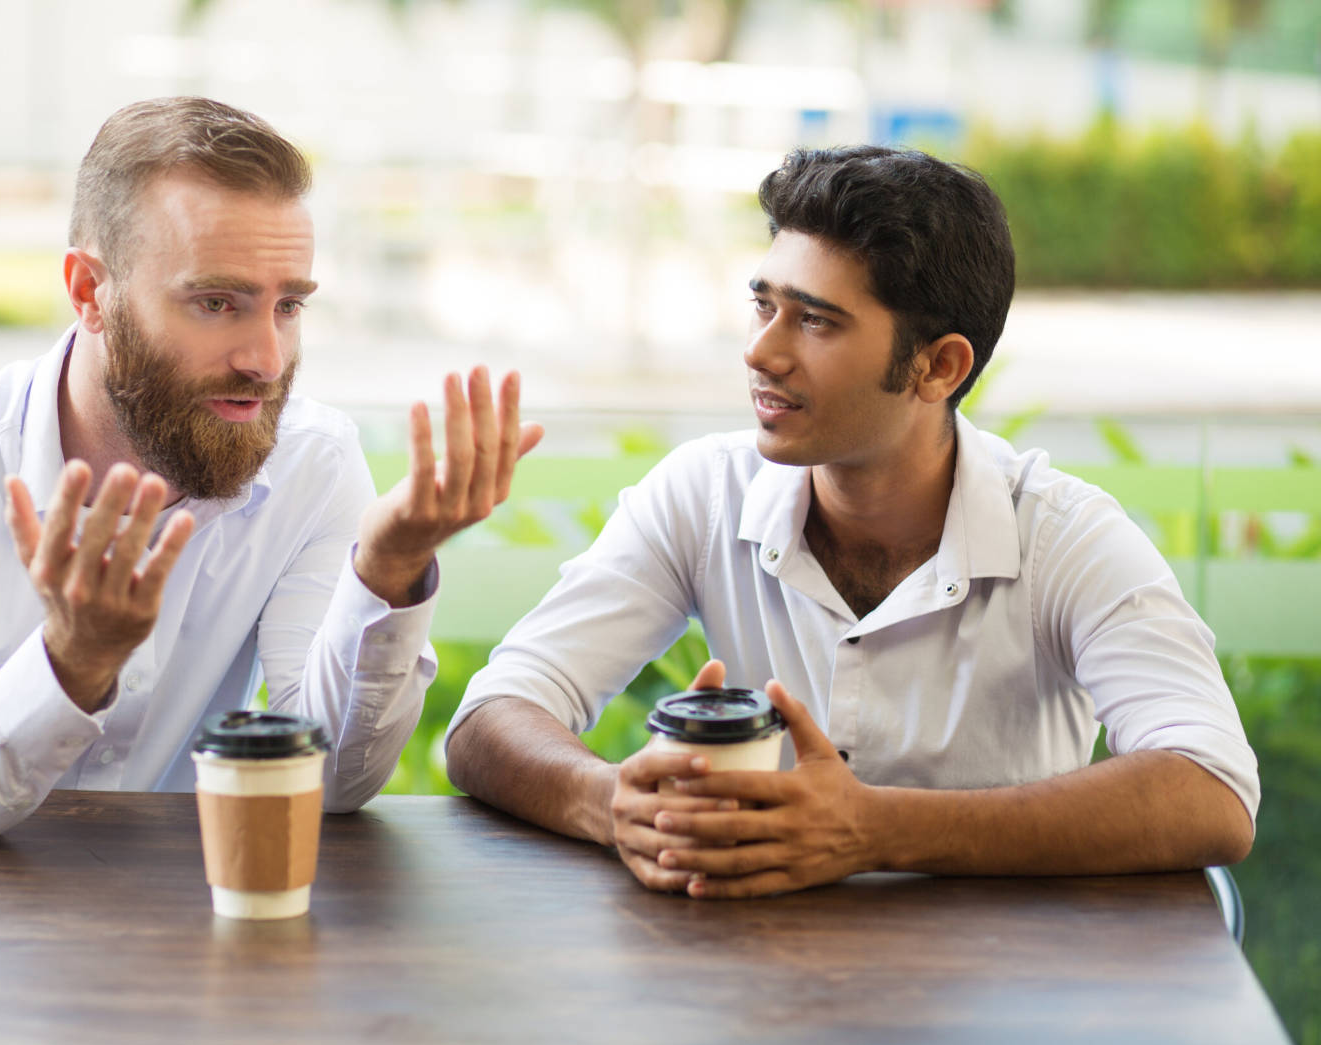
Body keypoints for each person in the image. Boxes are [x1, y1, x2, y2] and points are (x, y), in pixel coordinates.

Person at [0, 96, 543, 975]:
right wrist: (70, 667)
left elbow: (330, 787)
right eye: (216, 303)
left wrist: (386, 572)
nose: (266, 359)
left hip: (183, 957)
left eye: (288, 306)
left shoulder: (311, 463)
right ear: (91, 292)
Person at [445, 145, 1257, 899]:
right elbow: (490, 719)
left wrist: (871, 828)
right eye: (762, 305)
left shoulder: (1064, 536)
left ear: (937, 365)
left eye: (815, 320)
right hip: (756, 985)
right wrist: (610, 800)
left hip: (1007, 1001)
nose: (761, 352)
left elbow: (1212, 790)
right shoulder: (703, 491)